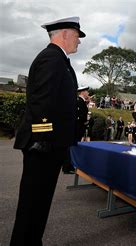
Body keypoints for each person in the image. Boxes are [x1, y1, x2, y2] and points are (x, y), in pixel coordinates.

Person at [11, 16, 85, 245]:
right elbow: (41, 102)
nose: (79, 42)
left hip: (51, 143)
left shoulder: (59, 60)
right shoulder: (51, 59)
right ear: (64, 34)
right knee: (33, 204)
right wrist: (43, 137)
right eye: (76, 36)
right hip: (44, 144)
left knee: (39, 203)